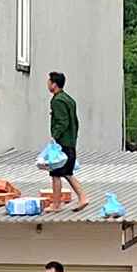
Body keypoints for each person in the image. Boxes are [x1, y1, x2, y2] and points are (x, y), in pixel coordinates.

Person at [45, 71, 88, 213]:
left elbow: (63, 121)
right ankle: (83, 197)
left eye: (49, 81)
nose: (47, 84)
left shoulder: (57, 100)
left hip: (62, 143)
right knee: (68, 172)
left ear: (54, 84)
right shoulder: (69, 99)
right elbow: (75, 121)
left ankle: (56, 204)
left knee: (55, 173)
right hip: (70, 142)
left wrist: (54, 136)